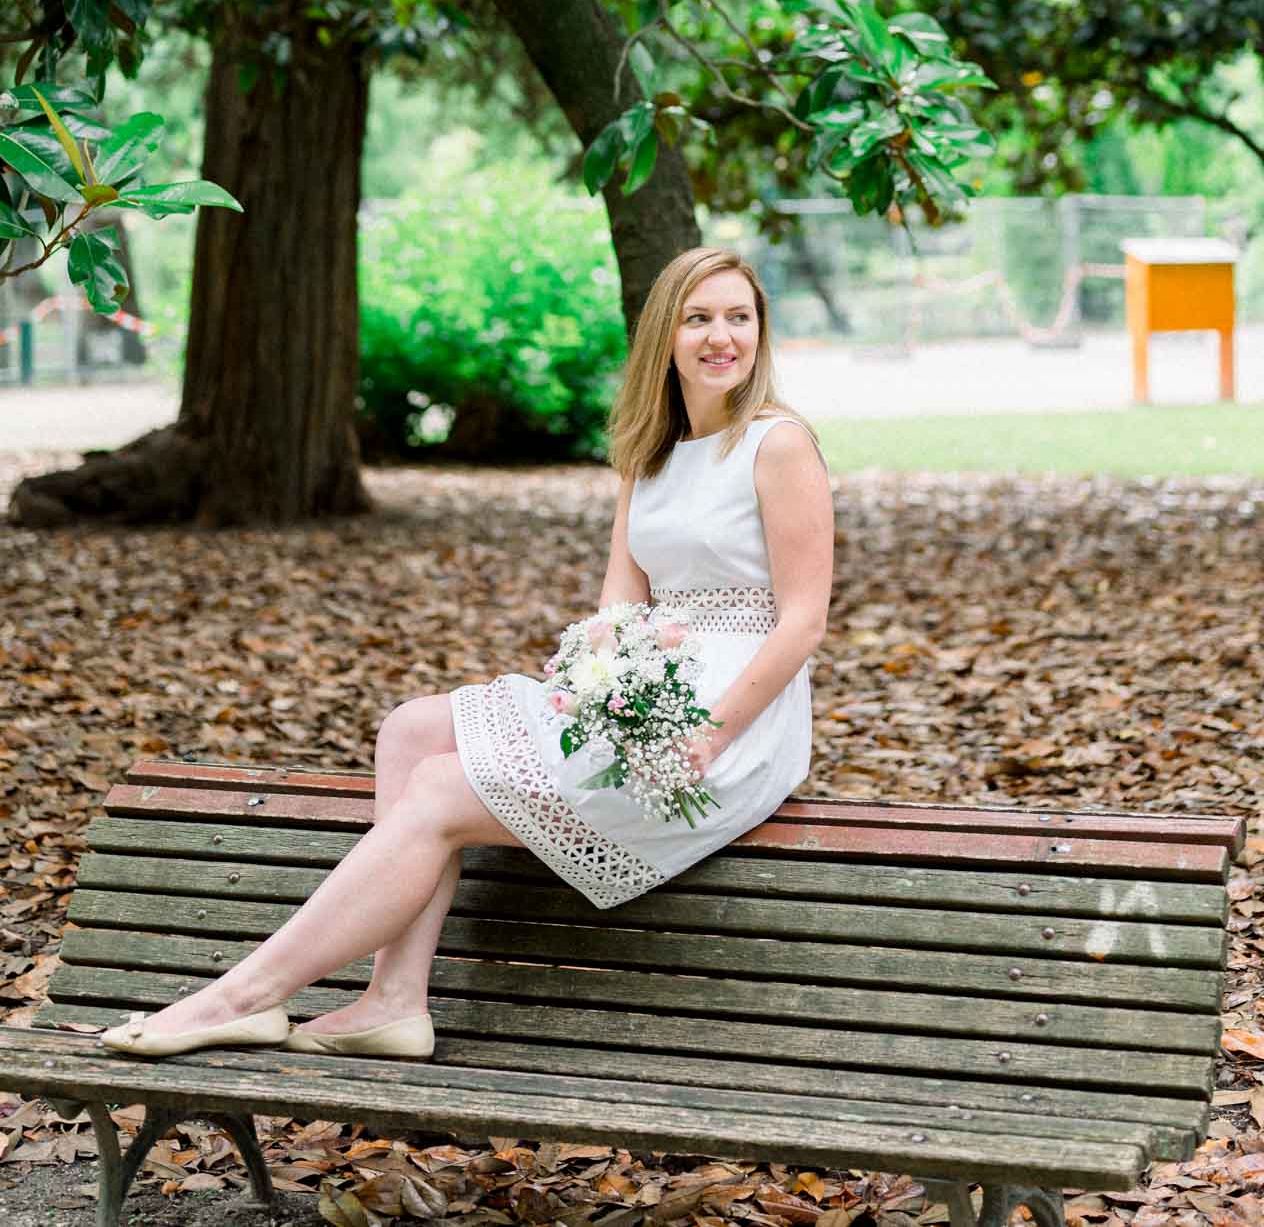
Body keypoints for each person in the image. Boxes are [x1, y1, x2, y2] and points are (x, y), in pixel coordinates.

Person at [100, 245, 834, 1061]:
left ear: (760, 331)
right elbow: (619, 608)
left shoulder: (778, 446)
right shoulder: (648, 454)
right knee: (411, 730)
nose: (721, 337)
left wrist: (708, 734)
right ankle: (393, 999)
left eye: (739, 317)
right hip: (644, 697)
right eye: (699, 318)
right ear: (665, 333)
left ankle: (242, 997)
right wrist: (597, 689)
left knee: (446, 787)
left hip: (729, 726)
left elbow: (802, 621)